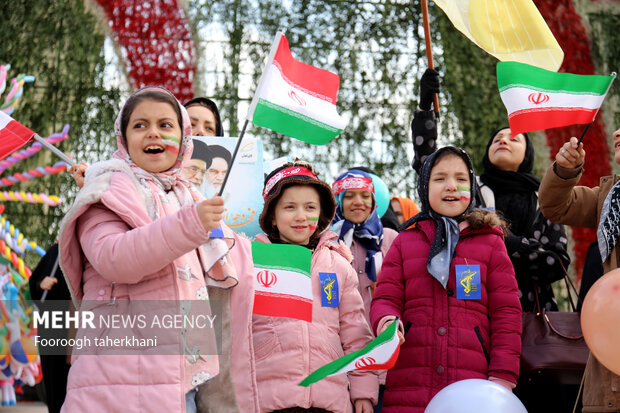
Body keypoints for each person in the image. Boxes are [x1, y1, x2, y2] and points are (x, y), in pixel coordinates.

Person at [58, 86, 253, 413]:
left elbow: (228, 274)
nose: (153, 132)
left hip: (182, 377)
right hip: (117, 376)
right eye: (140, 125)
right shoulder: (105, 189)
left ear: (184, 139)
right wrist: (190, 224)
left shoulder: (190, 196)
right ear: (123, 137)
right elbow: (115, 259)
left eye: (165, 125)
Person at [370, 146, 522, 412]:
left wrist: (502, 376)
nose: (451, 186)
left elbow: (506, 314)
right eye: (440, 179)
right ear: (424, 187)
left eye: (461, 179)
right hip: (410, 383)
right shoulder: (405, 241)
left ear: (472, 188)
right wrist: (386, 320)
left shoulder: (490, 242)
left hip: (473, 386)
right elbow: (385, 297)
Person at [254, 160, 379, 412]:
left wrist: (363, 390)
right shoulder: (252, 262)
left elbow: (355, 335)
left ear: (322, 215)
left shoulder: (338, 265)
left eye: (310, 207)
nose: (301, 216)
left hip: (329, 399)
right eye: (289, 207)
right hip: (267, 400)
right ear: (273, 217)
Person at [538, 129, 620, 413]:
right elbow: (555, 206)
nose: (617, 132)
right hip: (609, 385)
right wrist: (564, 170)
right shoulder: (608, 198)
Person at [331, 167, 399, 412]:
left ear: (374, 201)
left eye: (364, 195)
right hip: (339, 357)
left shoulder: (391, 239)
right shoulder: (326, 241)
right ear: (338, 202)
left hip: (385, 356)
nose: (357, 202)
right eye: (348, 196)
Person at [29, 243, 71, 413]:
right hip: (53, 327)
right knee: (54, 385)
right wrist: (40, 284)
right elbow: (33, 284)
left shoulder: (91, 250)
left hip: (79, 329)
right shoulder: (56, 252)